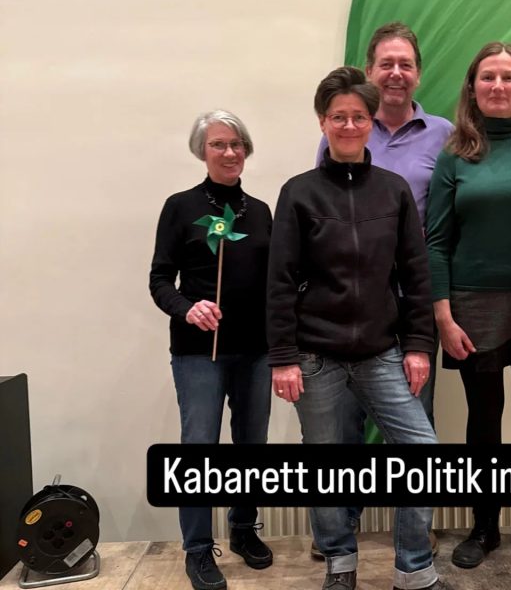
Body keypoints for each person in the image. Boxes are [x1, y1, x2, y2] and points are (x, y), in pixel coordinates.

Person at [268, 67, 452, 590]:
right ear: (323, 123)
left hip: (380, 352)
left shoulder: (392, 191)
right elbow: (279, 281)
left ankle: (413, 569)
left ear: (371, 122)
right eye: (338, 117)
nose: (349, 125)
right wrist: (282, 357)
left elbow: (416, 276)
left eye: (359, 116)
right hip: (315, 356)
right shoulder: (298, 193)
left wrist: (418, 346)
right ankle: (340, 564)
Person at [426, 42, 511, 570]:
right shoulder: (454, 157)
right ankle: (484, 528)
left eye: (508, 77)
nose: (498, 86)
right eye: (488, 77)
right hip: (469, 308)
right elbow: (435, 242)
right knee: (484, 420)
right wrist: (443, 315)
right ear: (473, 87)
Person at [149, 110, 273, 590]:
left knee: (251, 447)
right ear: (203, 151)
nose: (230, 152)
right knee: (200, 450)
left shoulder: (260, 211)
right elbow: (160, 280)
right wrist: (187, 308)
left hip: (256, 351)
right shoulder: (180, 207)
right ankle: (198, 550)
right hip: (200, 352)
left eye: (237, 144)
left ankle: (243, 530)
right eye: (219, 144)